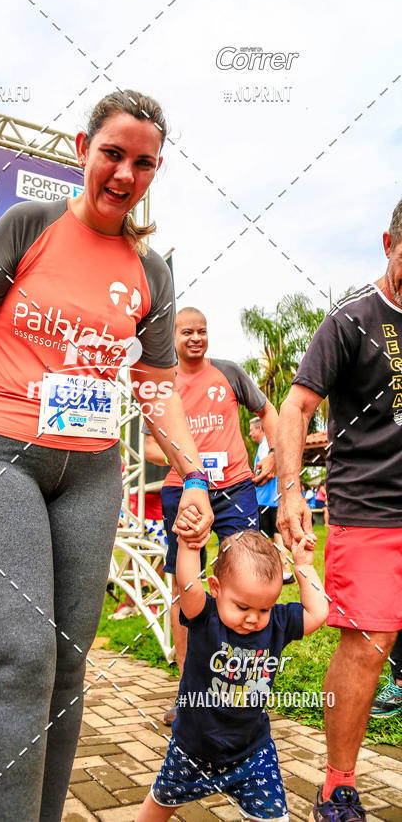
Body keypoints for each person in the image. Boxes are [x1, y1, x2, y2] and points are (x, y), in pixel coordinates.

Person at [0, 90, 214, 822]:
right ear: (82, 148)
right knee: (23, 660)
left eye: (144, 162)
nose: (125, 174)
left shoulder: (150, 271)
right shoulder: (31, 225)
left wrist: (194, 476)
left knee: (66, 672)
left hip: (89, 475)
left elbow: (156, 388)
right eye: (112, 154)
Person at [276, 199, 402, 821]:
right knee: (367, 645)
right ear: (388, 243)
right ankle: (337, 785)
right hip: (370, 510)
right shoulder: (353, 318)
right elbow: (297, 407)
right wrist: (291, 491)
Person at [136, 529, 328, 821]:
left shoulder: (276, 624)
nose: (253, 618)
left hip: (253, 752)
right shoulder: (205, 616)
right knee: (161, 801)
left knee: (274, 815)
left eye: (264, 608)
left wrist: (303, 566)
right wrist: (189, 544)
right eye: (242, 606)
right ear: (215, 588)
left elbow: (318, 613)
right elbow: (187, 584)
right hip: (192, 749)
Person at [144, 308, 278, 723]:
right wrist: (191, 464)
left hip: (236, 488)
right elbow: (149, 446)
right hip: (184, 490)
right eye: (187, 332)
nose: (196, 338)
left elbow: (268, 412)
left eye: (202, 331)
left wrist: (274, 452)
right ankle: (189, 692)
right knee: (185, 585)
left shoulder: (229, 372)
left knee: (249, 576)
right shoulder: (163, 382)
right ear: (173, 337)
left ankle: (245, 686)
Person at [249, 417, 293, 585]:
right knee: (276, 536)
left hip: (265, 499)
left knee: (265, 538)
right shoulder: (268, 446)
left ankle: (276, 572)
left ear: (260, 429)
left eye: (252, 430)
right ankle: (284, 572)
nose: (250, 433)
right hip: (272, 499)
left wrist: (251, 481)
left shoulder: (265, 446)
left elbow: (266, 472)